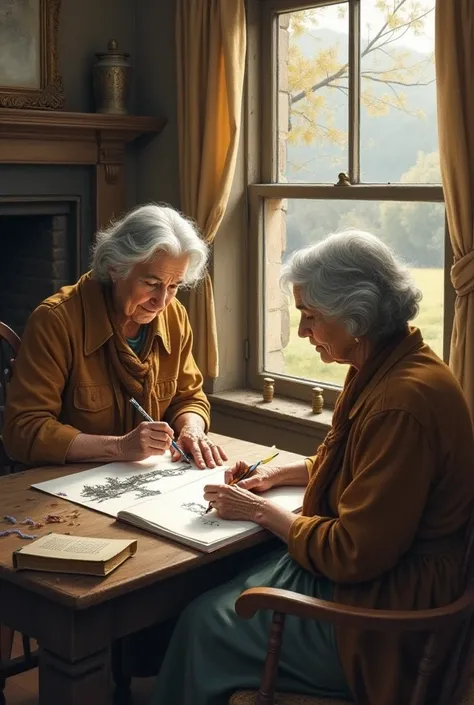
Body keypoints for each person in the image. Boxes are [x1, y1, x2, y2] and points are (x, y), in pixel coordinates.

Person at [151, 230, 474, 705]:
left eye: (310, 316)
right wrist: (278, 476)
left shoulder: (399, 405)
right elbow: (352, 461)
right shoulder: (389, 362)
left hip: (387, 612)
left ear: (355, 315)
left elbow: (352, 553)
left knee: (204, 620)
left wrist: (260, 511)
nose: (302, 332)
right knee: (223, 581)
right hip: (382, 573)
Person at [3, 203, 227, 469]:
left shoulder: (174, 316)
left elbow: (188, 397)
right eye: (151, 284)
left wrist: (192, 428)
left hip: (142, 478)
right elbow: (24, 430)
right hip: (62, 483)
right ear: (115, 267)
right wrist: (120, 446)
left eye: (174, 286)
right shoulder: (56, 320)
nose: (161, 301)